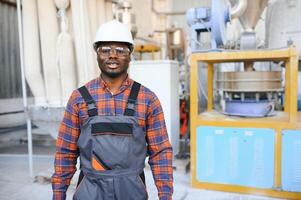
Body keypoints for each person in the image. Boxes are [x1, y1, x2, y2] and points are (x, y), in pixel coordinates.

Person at [51, 20, 173, 200]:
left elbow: (160, 152)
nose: (113, 55)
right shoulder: (79, 99)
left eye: (121, 50)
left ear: (130, 54)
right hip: (90, 192)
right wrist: (58, 194)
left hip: (132, 192)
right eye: (106, 49)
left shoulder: (147, 99)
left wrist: (165, 196)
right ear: (97, 54)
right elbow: (65, 151)